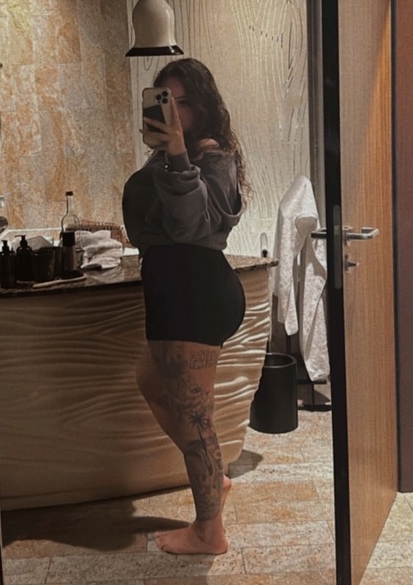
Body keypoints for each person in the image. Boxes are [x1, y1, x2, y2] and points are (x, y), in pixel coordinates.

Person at [122, 58, 250, 555]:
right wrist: (170, 152)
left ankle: (208, 531)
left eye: (184, 103)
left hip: (192, 293)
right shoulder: (168, 158)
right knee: (152, 382)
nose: (174, 113)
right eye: (165, 102)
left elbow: (193, 223)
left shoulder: (211, 157)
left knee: (196, 421)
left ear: (204, 107)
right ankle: (214, 478)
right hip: (175, 290)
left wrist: (176, 150)